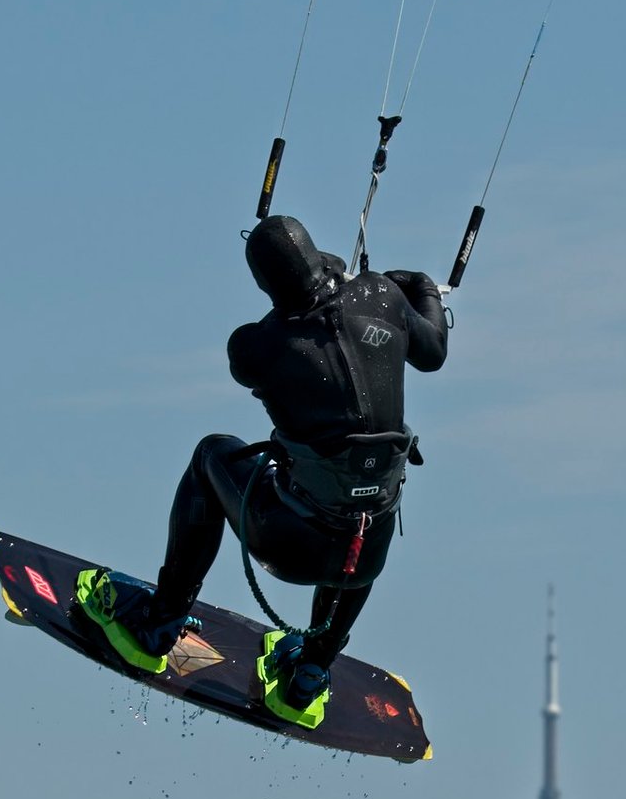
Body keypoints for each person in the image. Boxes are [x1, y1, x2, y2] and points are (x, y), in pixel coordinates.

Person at [75, 214, 448, 723]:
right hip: (363, 561)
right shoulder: (383, 297)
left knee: (212, 453)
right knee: (364, 500)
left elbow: (292, 327)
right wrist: (422, 291)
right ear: (319, 260)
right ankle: (309, 674)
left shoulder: (255, 348)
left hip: (287, 542)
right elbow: (433, 353)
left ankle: (158, 626)